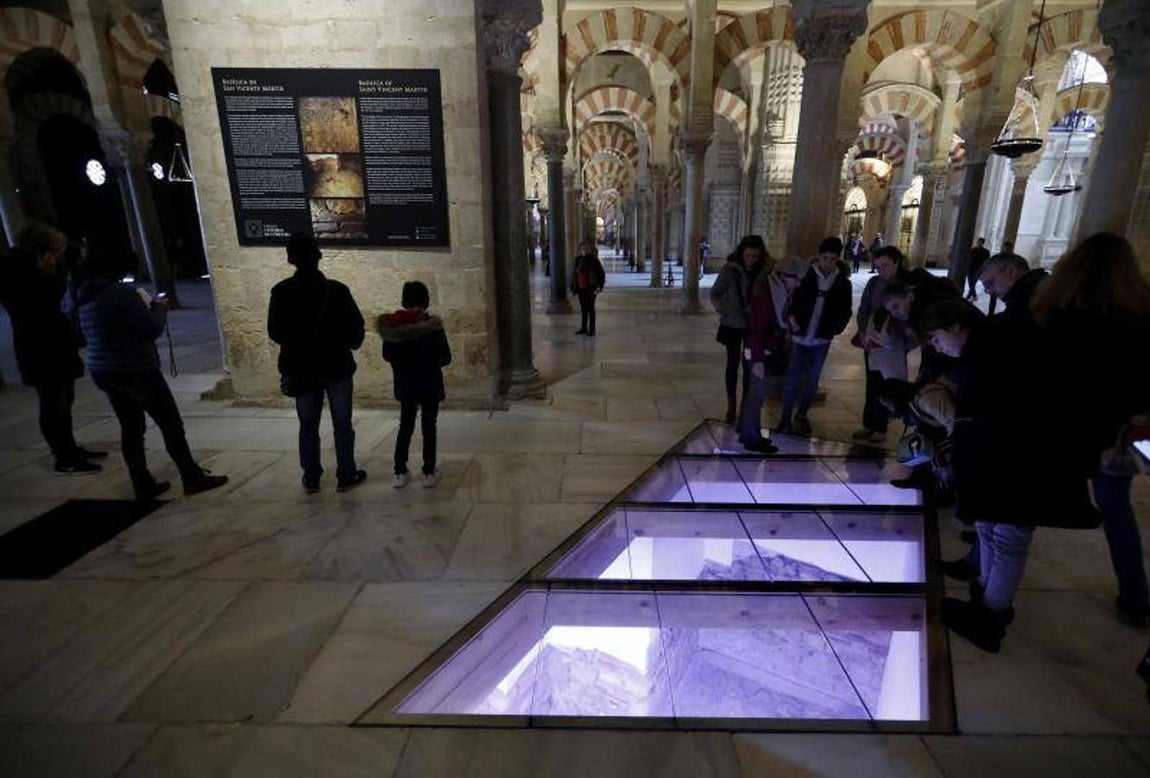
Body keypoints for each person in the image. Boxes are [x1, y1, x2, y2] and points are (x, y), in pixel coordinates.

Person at [920, 297, 1101, 653]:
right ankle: (985, 595)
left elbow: (1006, 415)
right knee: (988, 526)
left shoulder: (995, 352)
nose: (937, 347)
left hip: (1020, 464)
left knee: (1008, 537)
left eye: (938, 339)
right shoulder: (984, 350)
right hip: (1000, 462)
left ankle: (991, 617)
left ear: (958, 327)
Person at [1029, 232, 1150, 628]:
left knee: (1021, 498)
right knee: (1116, 510)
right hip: (1116, 431)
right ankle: (1136, 596)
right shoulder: (1141, 312)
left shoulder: (1060, 312)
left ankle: (991, 572)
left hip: (1066, 428)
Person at [75, 235, 227, 499]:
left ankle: (141, 482)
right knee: (170, 423)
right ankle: (191, 476)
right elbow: (149, 329)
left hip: (103, 368)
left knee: (131, 427)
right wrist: (158, 309)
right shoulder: (121, 294)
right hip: (135, 369)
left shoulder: (83, 293)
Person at [0, 222, 105, 474]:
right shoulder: (15, 269)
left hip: (57, 339)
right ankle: (63, 456)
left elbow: (58, 297)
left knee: (65, 397)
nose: (61, 253)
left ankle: (70, 447)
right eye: (58, 247)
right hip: (36, 344)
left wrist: (53, 272)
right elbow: (33, 305)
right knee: (52, 400)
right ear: (41, 246)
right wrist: (45, 274)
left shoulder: (48, 266)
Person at [268, 234, 366, 494]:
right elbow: (356, 329)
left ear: (291, 258)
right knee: (342, 422)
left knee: (308, 424)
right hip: (336, 365)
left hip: (303, 368)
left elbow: (275, 332)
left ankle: (311, 476)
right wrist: (341, 342)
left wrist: (298, 344)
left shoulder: (281, 292)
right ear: (317, 256)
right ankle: (346, 473)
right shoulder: (337, 291)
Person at [775, 237, 852, 436]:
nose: (828, 263)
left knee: (812, 380)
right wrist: (791, 317)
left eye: (833, 259)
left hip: (821, 339)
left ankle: (801, 415)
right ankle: (785, 417)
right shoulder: (805, 275)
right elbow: (791, 298)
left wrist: (835, 329)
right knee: (792, 378)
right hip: (800, 337)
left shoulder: (842, 282)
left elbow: (845, 310)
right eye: (825, 258)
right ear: (819, 257)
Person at [379, 281, 452, 489]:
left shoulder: (395, 327)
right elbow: (445, 357)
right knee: (429, 428)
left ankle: (399, 471)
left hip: (406, 384)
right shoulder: (432, 326)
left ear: (404, 300)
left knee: (405, 426)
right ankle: (428, 472)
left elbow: (387, 355)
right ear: (426, 301)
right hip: (429, 383)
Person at [851, 246, 911, 443]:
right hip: (871, 339)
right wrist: (862, 330)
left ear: (896, 263)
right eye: (878, 267)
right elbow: (864, 307)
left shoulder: (904, 285)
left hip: (891, 343)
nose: (881, 270)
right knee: (872, 382)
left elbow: (905, 316)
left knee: (886, 383)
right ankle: (869, 423)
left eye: (885, 265)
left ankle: (881, 426)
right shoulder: (874, 282)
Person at [710, 235, 767, 423]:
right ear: (742, 253)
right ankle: (731, 404)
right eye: (748, 255)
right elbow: (715, 293)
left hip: (753, 327)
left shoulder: (765, 272)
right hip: (733, 325)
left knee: (749, 365)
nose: (751, 260)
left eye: (755, 256)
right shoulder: (730, 270)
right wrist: (727, 310)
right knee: (732, 364)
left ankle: (745, 406)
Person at [570, 241, 605, 337]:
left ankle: (592, 330)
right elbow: (574, 274)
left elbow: (601, 273)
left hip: (591, 287)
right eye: (582, 249)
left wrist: (600, 286)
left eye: (586, 249)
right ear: (580, 250)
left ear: (589, 250)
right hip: (581, 288)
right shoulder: (577, 260)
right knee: (583, 309)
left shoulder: (594, 260)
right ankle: (584, 328)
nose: (584, 250)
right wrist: (573, 286)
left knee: (590, 309)